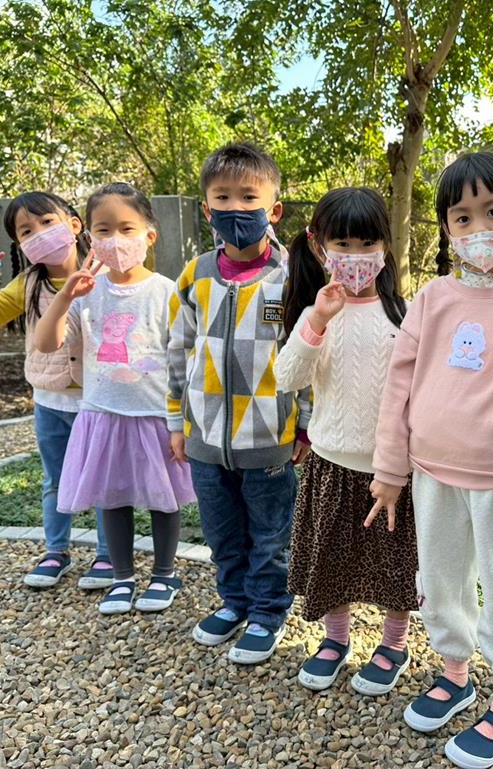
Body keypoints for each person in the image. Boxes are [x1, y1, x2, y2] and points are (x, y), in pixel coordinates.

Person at [370, 152, 493, 768]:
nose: (479, 227)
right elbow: (398, 389)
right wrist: (389, 471)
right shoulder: (431, 298)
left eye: (492, 211)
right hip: (432, 472)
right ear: (447, 228)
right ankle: (455, 674)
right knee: (441, 580)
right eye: (463, 217)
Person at [168, 142, 311, 664]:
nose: (235, 208)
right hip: (205, 438)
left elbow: (308, 355)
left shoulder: (293, 277)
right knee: (222, 531)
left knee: (271, 535)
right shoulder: (196, 275)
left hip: (269, 436)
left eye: (249, 197)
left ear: (274, 209)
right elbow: (177, 350)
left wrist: (305, 424)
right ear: (207, 209)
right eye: (223, 197)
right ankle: (234, 602)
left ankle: (269, 611)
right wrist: (176, 422)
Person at [274, 187, 417, 694]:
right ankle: (335, 640)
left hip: (393, 469)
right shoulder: (315, 312)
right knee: (331, 558)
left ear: (385, 246)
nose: (355, 257)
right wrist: (316, 320)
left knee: (396, 564)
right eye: (343, 244)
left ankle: (394, 644)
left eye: (366, 244)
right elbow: (287, 377)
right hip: (331, 462)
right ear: (320, 247)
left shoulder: (405, 313)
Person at [34, 182, 195, 616]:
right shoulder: (86, 293)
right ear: (89, 237)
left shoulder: (167, 291)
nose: (116, 240)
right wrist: (65, 296)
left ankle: (164, 574)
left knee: (163, 498)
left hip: (156, 415)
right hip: (103, 414)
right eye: (103, 230)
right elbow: (46, 343)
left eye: (127, 229)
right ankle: (122, 577)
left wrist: (183, 420)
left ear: (150, 235)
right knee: (112, 497)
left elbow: (183, 358)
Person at [0, 191, 112, 590]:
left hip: (101, 400)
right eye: (26, 230)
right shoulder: (28, 284)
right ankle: (56, 551)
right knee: (55, 480)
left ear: (74, 225)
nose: (39, 233)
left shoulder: (107, 273)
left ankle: (108, 554)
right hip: (50, 401)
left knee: (103, 479)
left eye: (47, 222)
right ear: (20, 244)